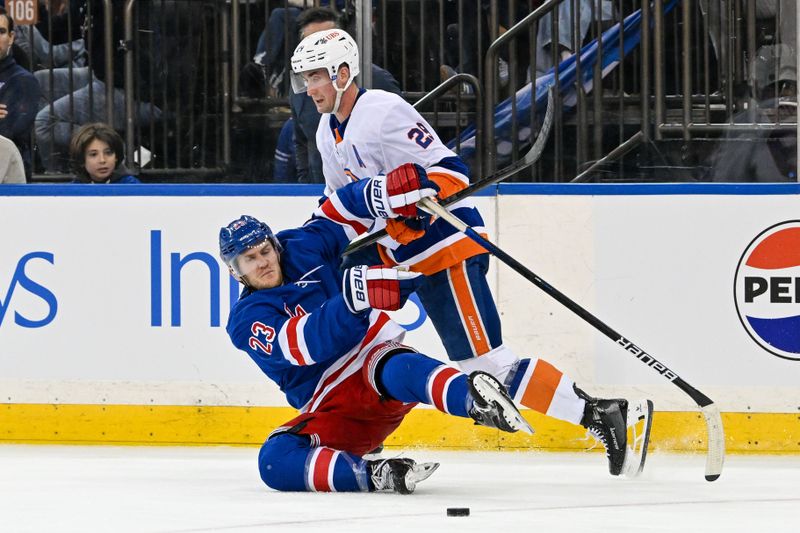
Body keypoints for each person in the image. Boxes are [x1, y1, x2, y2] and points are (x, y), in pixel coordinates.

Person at [290, 29, 653, 476]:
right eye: (304, 79)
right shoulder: (328, 130)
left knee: (484, 362)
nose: (309, 89)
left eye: (316, 77)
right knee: (425, 352)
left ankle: (600, 415)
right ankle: (600, 413)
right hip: (402, 256)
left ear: (343, 74)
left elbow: (451, 171)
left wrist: (419, 205)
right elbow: (341, 200)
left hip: (444, 247)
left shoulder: (383, 111)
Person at [220, 177, 644, 493]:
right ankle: (376, 475)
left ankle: (473, 399)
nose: (262, 263)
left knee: (399, 366)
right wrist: (351, 300)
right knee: (273, 461)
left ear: (275, 245)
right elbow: (302, 344)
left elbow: (339, 213)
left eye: (264, 251)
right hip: (331, 402)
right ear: (235, 270)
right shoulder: (246, 319)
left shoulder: (302, 246)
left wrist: (380, 192)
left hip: (370, 356)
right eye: (249, 260)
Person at [290, 7, 401, 183]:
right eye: (312, 41)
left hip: (376, 192)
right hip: (323, 186)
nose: (319, 49)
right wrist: (305, 183)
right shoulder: (302, 88)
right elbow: (301, 140)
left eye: (325, 39)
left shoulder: (377, 80)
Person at [0, 7, 41, 181]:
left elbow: (6, 131)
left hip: (9, 180)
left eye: (1, 32)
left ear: (11, 38)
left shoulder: (24, 81)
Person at [69, 122, 139, 184]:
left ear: (116, 157)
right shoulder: (73, 190)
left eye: (108, 153)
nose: (102, 160)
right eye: (94, 154)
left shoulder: (132, 186)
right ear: (82, 160)